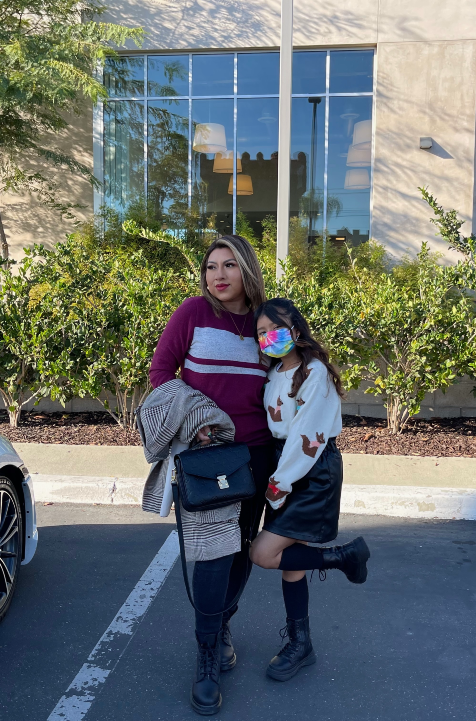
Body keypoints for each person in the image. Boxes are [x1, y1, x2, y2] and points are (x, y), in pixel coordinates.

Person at [149, 235, 274, 715]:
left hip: (258, 455)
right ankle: (206, 655)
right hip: (206, 457)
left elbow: (289, 373)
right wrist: (194, 421)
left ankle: (222, 625)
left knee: (242, 547)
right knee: (212, 554)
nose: (217, 276)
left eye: (229, 266)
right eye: (210, 267)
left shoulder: (265, 321)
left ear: (247, 271)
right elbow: (163, 374)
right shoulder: (192, 313)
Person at [249, 297, 370, 682]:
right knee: (293, 563)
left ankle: (343, 557)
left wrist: (279, 484)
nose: (268, 338)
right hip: (286, 465)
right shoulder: (272, 375)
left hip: (309, 470)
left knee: (264, 554)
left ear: (296, 331)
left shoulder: (314, 372)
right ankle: (301, 644)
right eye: (261, 333)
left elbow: (308, 436)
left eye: (275, 329)